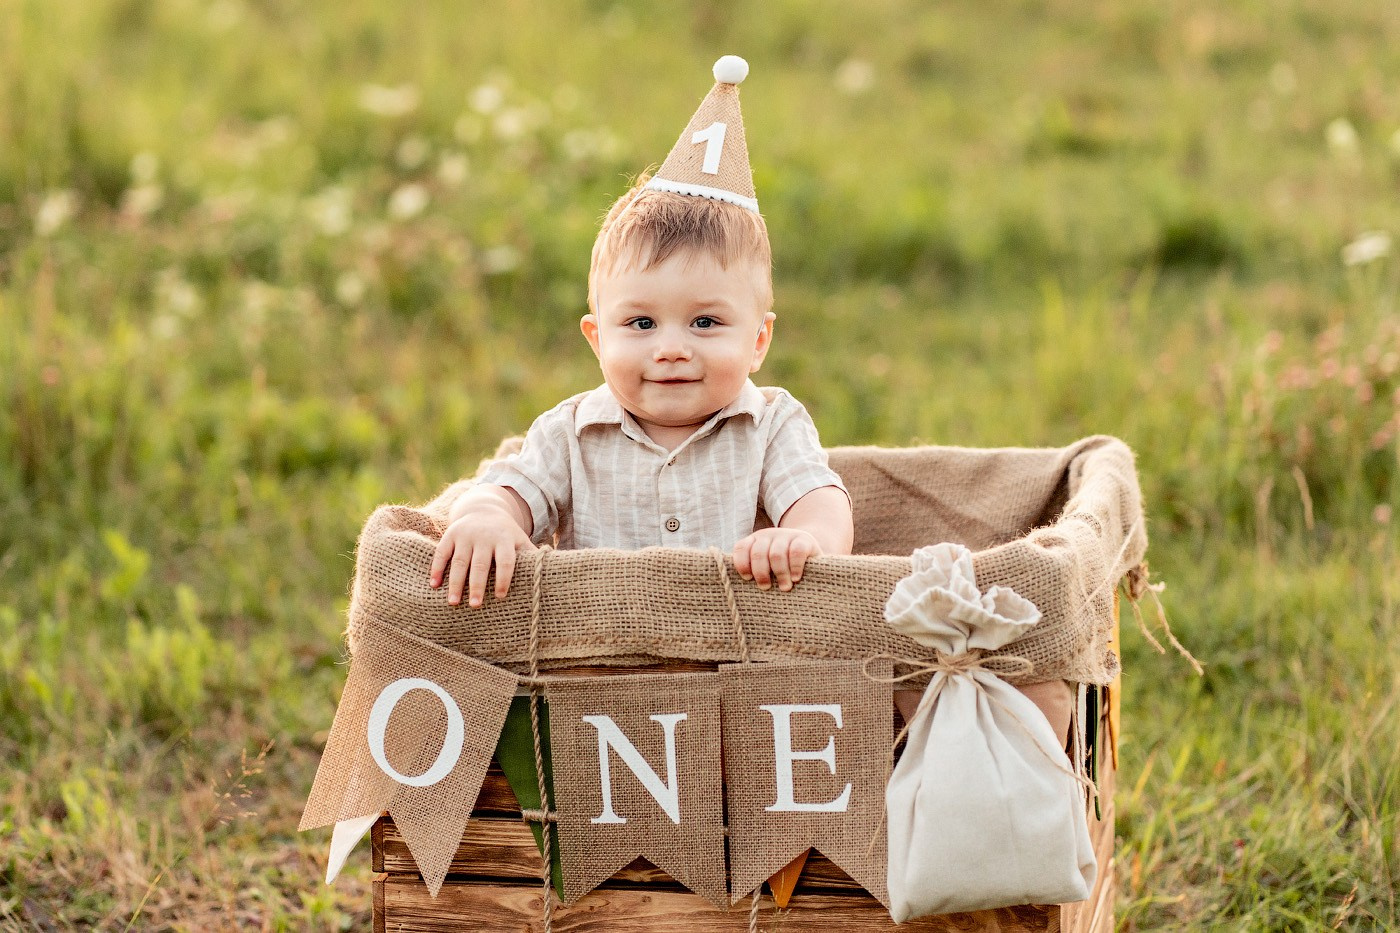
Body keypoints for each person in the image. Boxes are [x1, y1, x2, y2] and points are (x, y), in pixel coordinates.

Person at [429, 55, 852, 610]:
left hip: (738, 647)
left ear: (758, 342)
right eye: (641, 323)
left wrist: (805, 539)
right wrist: (486, 517)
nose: (671, 348)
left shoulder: (772, 426)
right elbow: (508, 490)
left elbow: (819, 499)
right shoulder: (571, 434)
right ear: (597, 338)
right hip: (598, 654)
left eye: (706, 323)